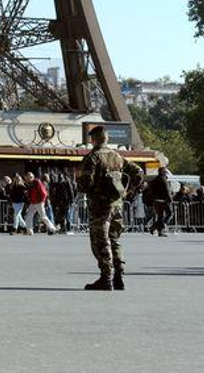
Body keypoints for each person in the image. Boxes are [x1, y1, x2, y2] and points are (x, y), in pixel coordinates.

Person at [77, 125, 143, 291]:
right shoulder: (117, 156)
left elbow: (85, 183)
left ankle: (106, 278)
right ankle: (119, 276)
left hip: (100, 205)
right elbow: (139, 173)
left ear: (93, 139)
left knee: (101, 241)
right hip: (117, 205)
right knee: (114, 240)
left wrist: (89, 188)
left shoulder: (92, 157)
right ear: (107, 138)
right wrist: (126, 191)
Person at [148, 167, 173, 236]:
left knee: (160, 216)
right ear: (162, 171)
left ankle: (158, 231)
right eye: (165, 171)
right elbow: (167, 190)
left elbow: (150, 190)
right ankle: (162, 225)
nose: (165, 173)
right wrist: (170, 199)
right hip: (163, 200)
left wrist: (153, 197)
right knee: (170, 213)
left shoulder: (155, 180)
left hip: (156, 200)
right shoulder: (163, 179)